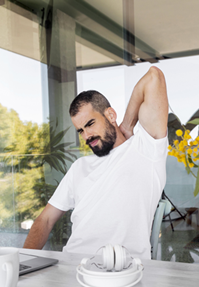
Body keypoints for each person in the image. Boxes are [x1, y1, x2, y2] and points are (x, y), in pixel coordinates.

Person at [23, 66, 169, 260]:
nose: (86, 135)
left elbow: (154, 76)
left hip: (124, 271)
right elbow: (46, 219)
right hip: (74, 266)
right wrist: (22, 261)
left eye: (90, 124)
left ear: (110, 115)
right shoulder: (80, 167)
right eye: (81, 130)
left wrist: (127, 124)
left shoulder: (145, 149)